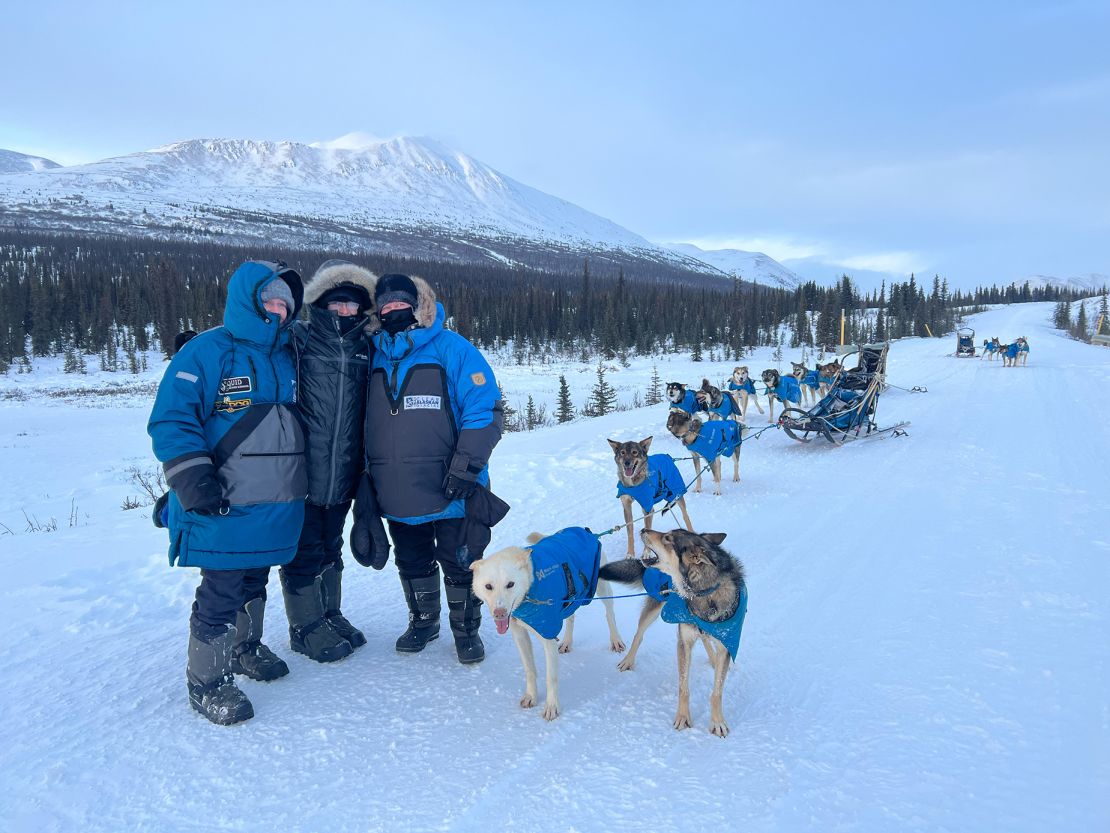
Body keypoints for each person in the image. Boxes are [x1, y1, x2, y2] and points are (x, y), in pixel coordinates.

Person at [148, 260, 306, 725]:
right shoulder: (205, 352)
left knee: (255, 575)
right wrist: (193, 479)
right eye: (269, 300)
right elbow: (173, 419)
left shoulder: (290, 353)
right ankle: (206, 682)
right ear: (247, 300)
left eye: (285, 303)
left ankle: (245, 649)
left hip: (277, 498)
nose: (277, 310)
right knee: (221, 587)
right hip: (223, 497)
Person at [361, 273, 503, 664]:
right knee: (411, 560)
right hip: (395, 488)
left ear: (418, 305)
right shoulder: (370, 353)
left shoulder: (452, 348)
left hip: (452, 485)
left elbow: (484, 409)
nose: (392, 311)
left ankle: (466, 630)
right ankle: (424, 621)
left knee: (460, 561)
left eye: (400, 303)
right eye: (385, 305)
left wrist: (466, 467)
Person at [279, 260, 377, 663]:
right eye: (337, 304)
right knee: (303, 549)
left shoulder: (367, 348)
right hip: (303, 469)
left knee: (331, 544)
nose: (344, 312)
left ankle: (328, 614)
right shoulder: (299, 340)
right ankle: (304, 628)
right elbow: (257, 350)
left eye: (353, 307)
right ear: (320, 303)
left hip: (344, 469)